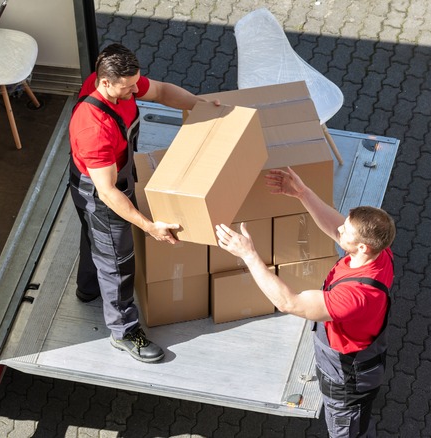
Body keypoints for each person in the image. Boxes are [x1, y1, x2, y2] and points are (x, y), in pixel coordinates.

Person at [215, 167, 395, 437]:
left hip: (347, 379)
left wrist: (249, 255)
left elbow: (289, 302)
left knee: (347, 429)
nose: (339, 229)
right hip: (353, 359)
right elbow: (335, 227)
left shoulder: (355, 296)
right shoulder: (379, 253)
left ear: (362, 247)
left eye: (346, 231)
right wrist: (302, 193)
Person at [68, 43, 215, 363]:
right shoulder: (94, 127)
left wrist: (200, 105)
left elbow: (160, 91)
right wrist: (149, 226)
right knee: (118, 261)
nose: (136, 90)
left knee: (93, 238)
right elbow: (107, 193)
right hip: (101, 191)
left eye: (136, 83)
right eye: (129, 87)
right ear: (104, 83)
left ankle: (87, 289)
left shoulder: (116, 81)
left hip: (103, 176)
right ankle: (124, 331)